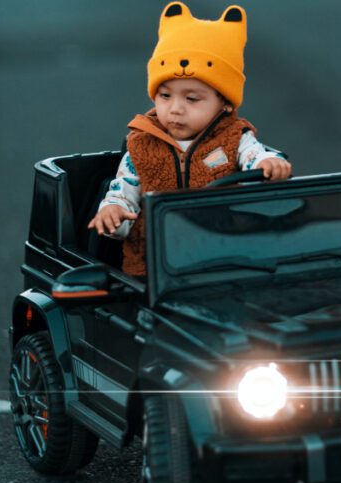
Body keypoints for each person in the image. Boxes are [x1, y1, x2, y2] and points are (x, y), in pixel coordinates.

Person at [87, 1, 292, 277]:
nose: (175, 109)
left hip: (226, 260)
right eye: (165, 96)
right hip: (154, 270)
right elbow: (123, 191)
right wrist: (113, 213)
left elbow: (255, 156)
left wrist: (270, 162)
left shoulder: (234, 138)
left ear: (225, 104)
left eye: (192, 98)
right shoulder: (142, 145)